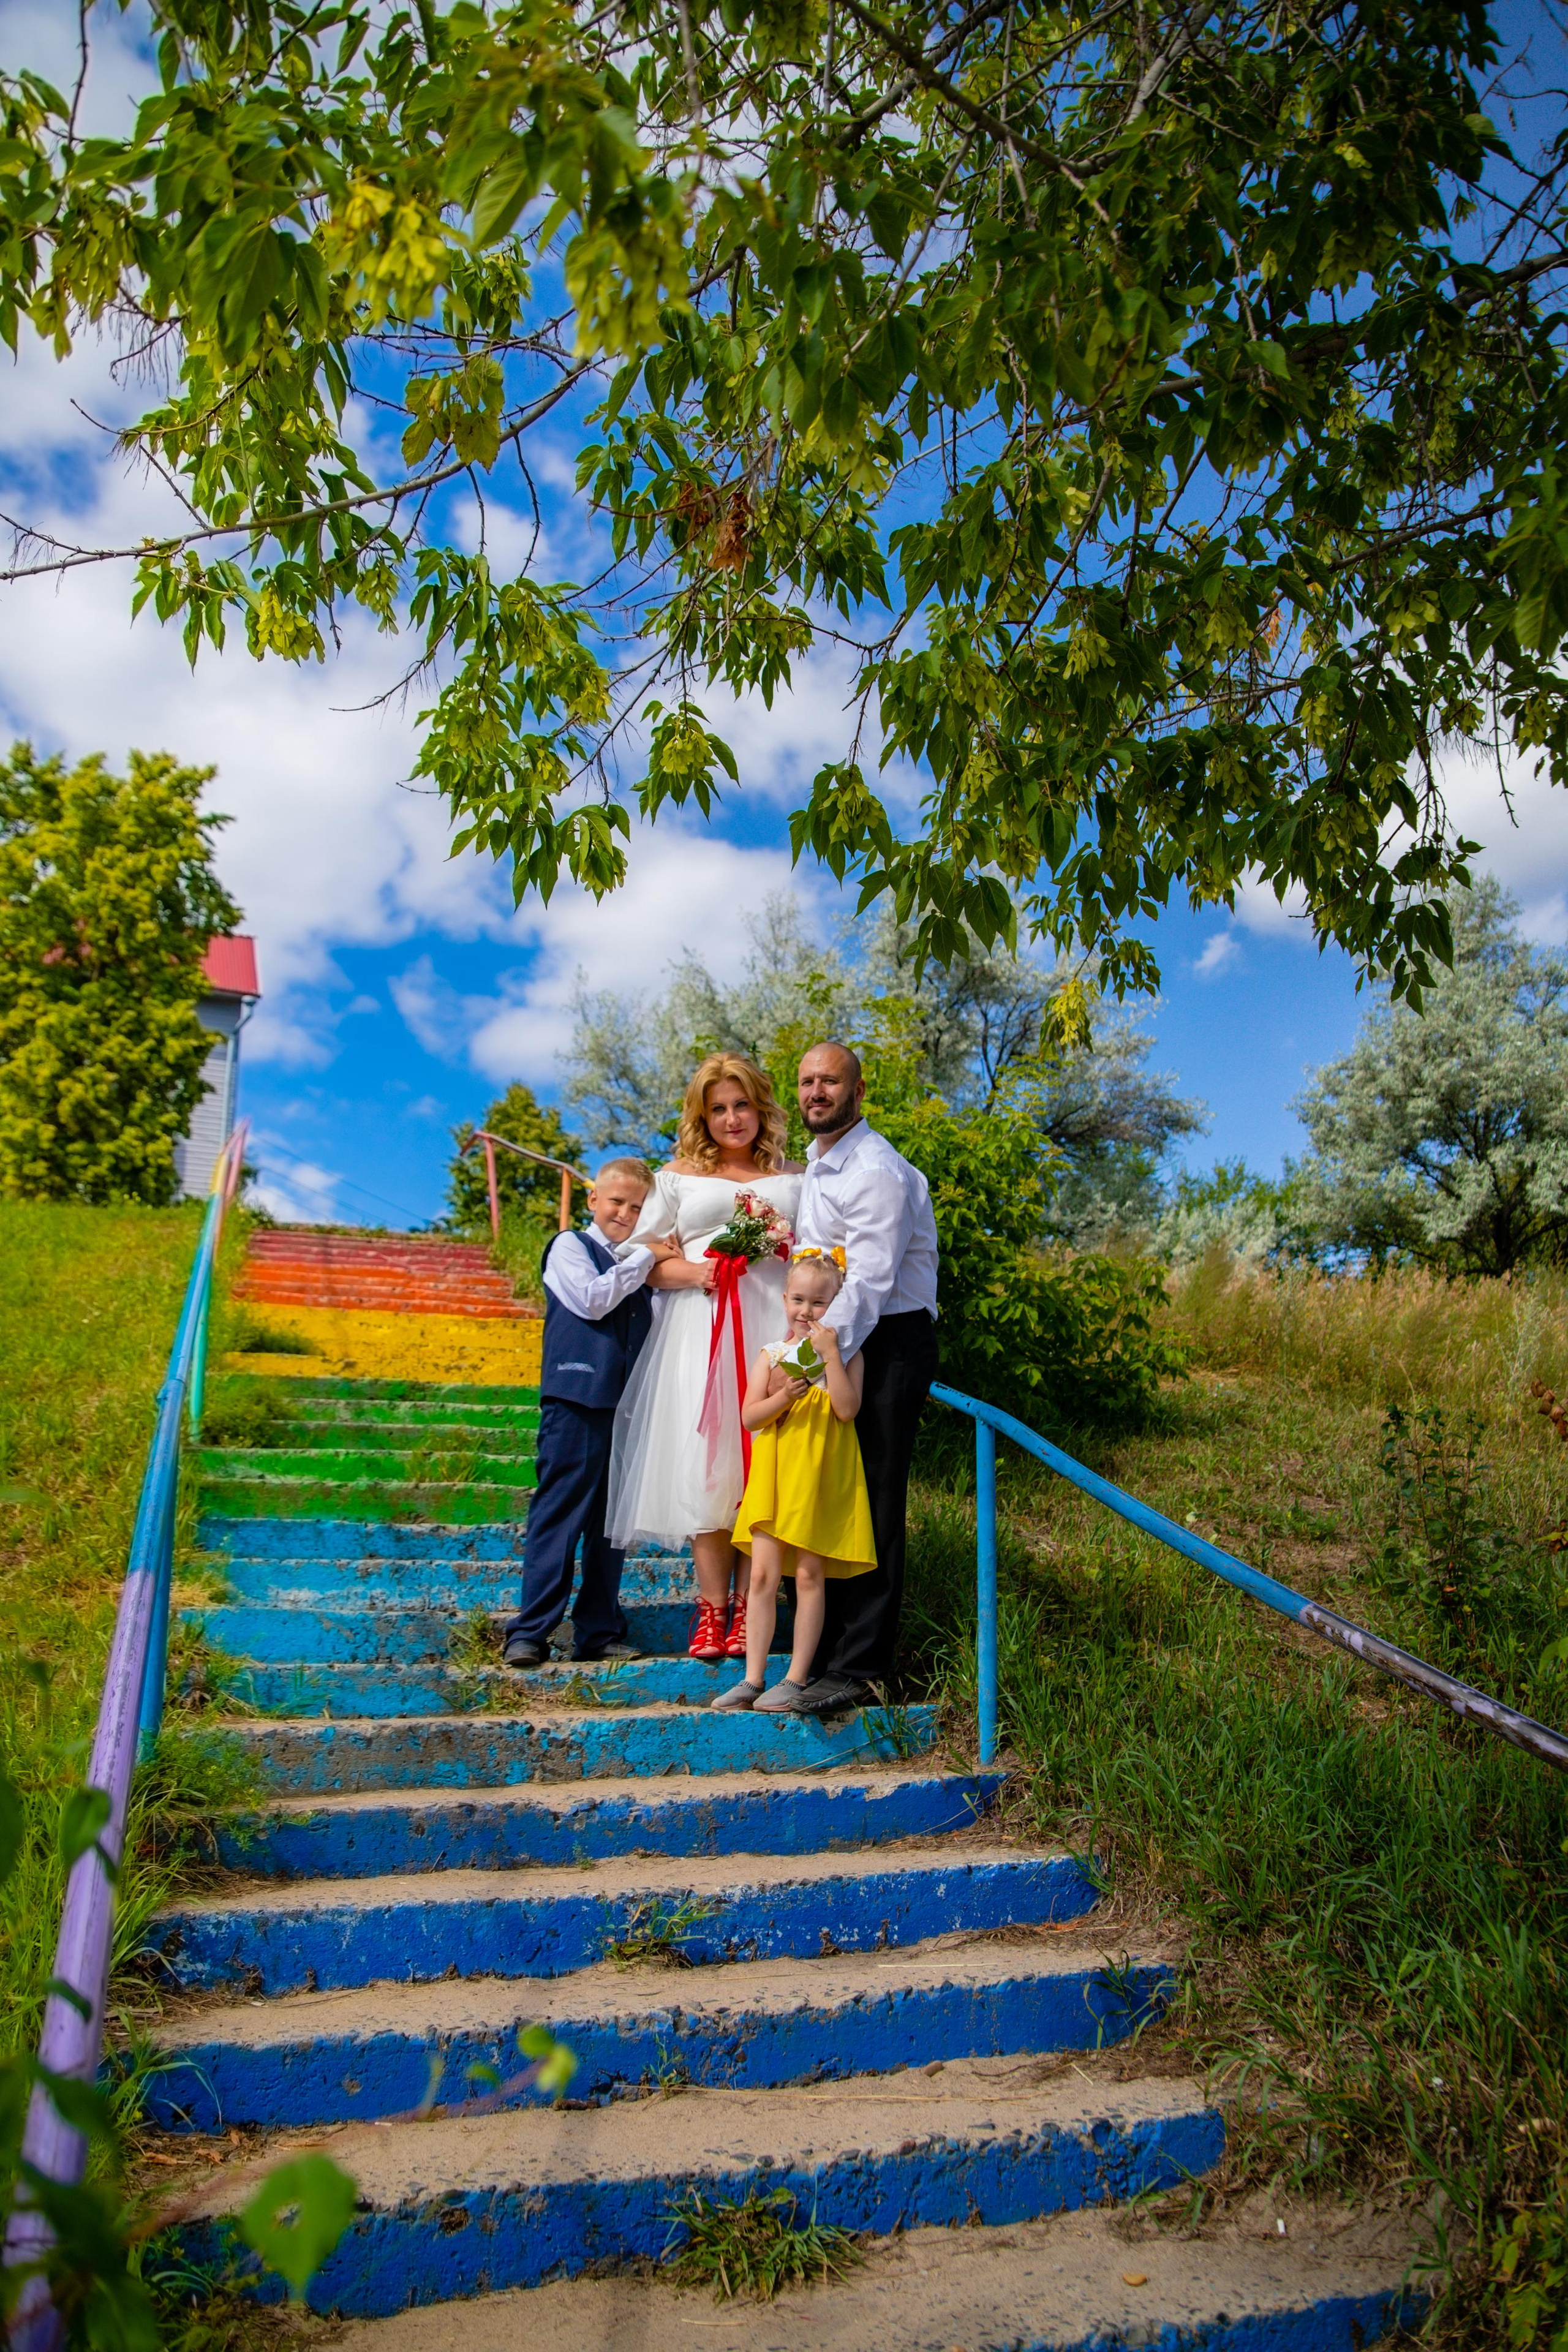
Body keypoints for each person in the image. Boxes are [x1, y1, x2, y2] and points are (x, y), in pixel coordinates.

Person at [607, 1054, 804, 1664]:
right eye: (718, 1108)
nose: (732, 1118)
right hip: (701, 1330)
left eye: (742, 1105)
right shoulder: (676, 1179)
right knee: (708, 1469)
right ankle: (712, 1608)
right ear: (702, 1116)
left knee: (762, 1467)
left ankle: (752, 1605)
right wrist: (695, 1272)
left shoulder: (796, 1177)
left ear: (761, 1107)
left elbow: (818, 1253)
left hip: (772, 1326)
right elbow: (643, 1263)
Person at [790, 1041, 940, 1713]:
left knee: (873, 1498)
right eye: (806, 1082)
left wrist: (811, 1361)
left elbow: (871, 1281)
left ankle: (861, 1668)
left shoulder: (875, 1169)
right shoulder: (822, 1166)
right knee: (829, 1493)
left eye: (829, 1081)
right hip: (844, 1339)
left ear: (858, 1091)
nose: (816, 1092)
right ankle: (819, 1651)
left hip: (888, 1341)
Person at [501, 1158, 676, 1668]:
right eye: (617, 1201)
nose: (625, 1213)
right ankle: (530, 1630)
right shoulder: (570, 1247)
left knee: (610, 1526)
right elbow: (592, 1300)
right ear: (593, 1199)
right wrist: (644, 1257)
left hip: (626, 1407)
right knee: (561, 1513)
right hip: (576, 1399)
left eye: (638, 1207)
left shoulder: (642, 1268)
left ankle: (598, 1630)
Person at [712, 1248, 876, 1714]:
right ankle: (752, 1677)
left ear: (836, 1305)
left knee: (808, 1574)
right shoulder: (773, 1355)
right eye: (799, 1300)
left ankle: (796, 1677)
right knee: (763, 1575)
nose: (807, 1311)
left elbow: (847, 1409)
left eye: (819, 1303)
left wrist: (832, 1356)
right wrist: (784, 1395)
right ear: (784, 1300)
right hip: (776, 1476)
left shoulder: (848, 1355)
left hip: (818, 1478)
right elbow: (750, 1418)